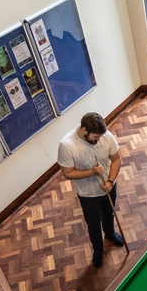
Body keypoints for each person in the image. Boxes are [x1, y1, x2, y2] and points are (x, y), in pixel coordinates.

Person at [57, 112, 124, 268]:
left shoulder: (105, 135)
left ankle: (110, 234)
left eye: (100, 136)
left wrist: (110, 181)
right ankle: (98, 250)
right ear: (84, 129)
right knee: (94, 225)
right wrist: (92, 172)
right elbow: (67, 173)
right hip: (88, 195)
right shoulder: (67, 145)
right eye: (95, 137)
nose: (98, 139)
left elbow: (116, 160)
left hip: (108, 187)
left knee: (109, 213)